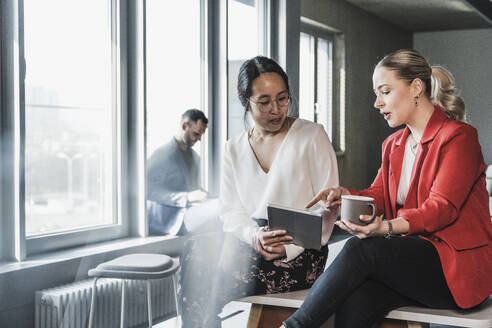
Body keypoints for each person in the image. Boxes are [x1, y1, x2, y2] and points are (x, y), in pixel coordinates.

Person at [282, 49, 492, 328]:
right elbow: (380, 194)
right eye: (376, 93)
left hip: (454, 270)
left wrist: (387, 228)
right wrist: (345, 195)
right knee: (357, 300)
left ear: (416, 87)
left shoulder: (458, 137)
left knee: (362, 248)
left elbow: (442, 208)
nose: (377, 103)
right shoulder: (393, 144)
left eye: (385, 91)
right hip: (411, 261)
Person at [179, 56, 339, 328]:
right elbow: (231, 211)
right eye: (264, 102)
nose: (276, 109)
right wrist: (255, 236)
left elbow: (329, 208)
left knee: (209, 282)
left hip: (301, 251)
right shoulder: (234, 148)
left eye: (283, 98)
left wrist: (288, 246)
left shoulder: (312, 136)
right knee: (193, 253)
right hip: (251, 241)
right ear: (246, 102)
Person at [146, 109, 220, 235]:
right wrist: (186, 197)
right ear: (184, 126)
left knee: (226, 206)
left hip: (190, 213)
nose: (199, 139)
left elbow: (192, 189)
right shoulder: (162, 154)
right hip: (172, 220)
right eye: (196, 134)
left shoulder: (194, 157)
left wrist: (204, 195)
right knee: (223, 207)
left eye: (201, 135)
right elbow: (148, 191)